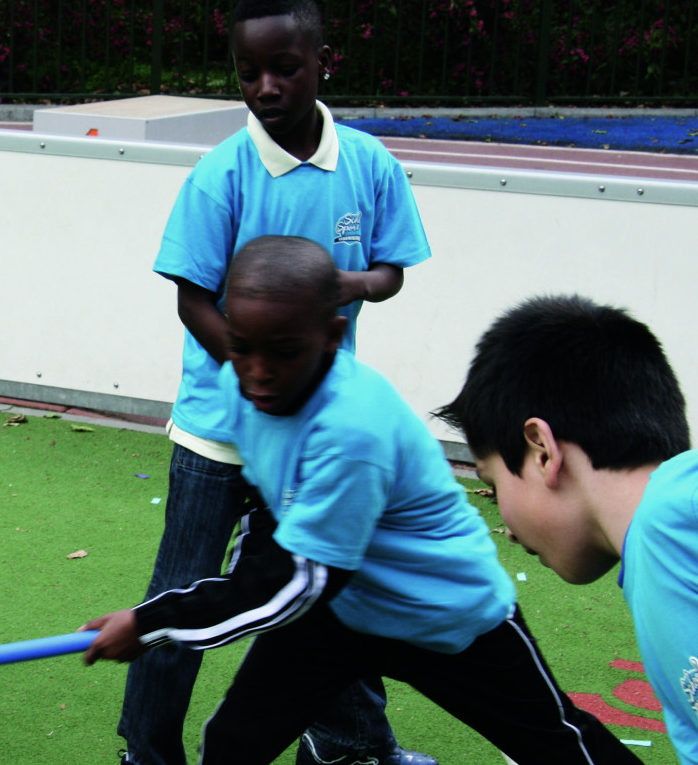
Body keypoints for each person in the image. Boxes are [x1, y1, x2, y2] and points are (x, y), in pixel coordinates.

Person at [84, 236, 645, 765]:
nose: (258, 373)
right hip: (340, 609)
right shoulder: (243, 386)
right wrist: (156, 619)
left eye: (282, 352)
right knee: (233, 741)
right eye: (242, 347)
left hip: (441, 609)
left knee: (555, 745)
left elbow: (294, 581)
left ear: (331, 335)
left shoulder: (353, 431)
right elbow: (271, 514)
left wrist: (151, 622)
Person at [127, 0, 434, 763]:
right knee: (180, 602)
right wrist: (253, 371)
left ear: (321, 63)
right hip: (219, 433)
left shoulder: (367, 163)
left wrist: (344, 283)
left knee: (326, 596)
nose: (266, 87)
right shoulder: (221, 174)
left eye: (285, 69)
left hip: (317, 437)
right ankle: (147, 752)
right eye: (249, 72)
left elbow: (392, 270)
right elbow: (191, 296)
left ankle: (347, 745)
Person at [434, 295, 698, 765]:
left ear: (541, 451)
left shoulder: (688, 504)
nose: (507, 531)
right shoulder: (652, 589)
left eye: (493, 483)